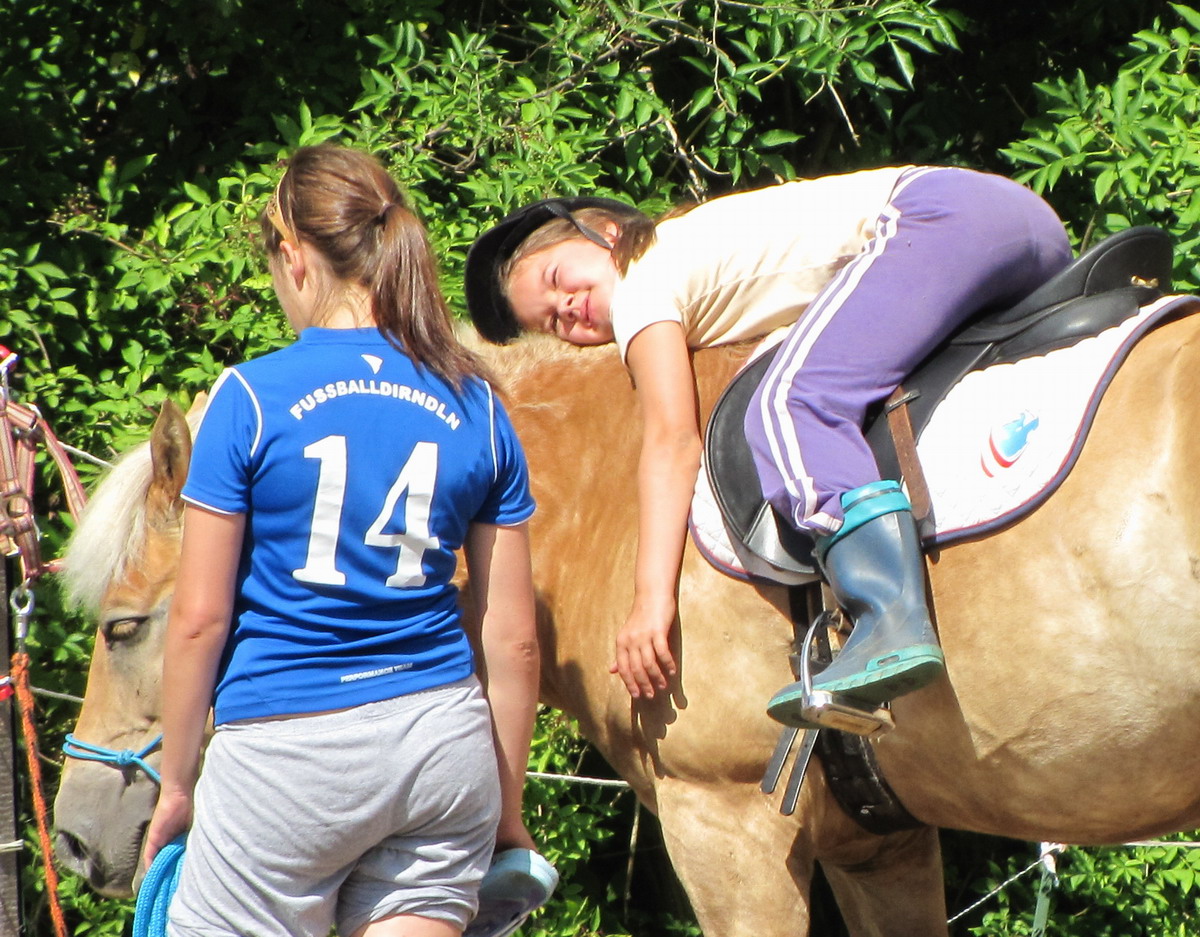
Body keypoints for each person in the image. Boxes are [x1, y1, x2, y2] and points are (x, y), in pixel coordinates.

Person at [463, 166, 1071, 728]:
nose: (568, 308)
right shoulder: (692, 250)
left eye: (556, 280)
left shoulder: (643, 286)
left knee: (790, 402)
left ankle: (888, 616)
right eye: (552, 322)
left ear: (606, 231)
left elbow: (672, 441)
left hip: (935, 217)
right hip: (1021, 223)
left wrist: (650, 603)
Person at [142, 143, 544, 937]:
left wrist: (178, 782)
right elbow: (513, 638)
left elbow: (197, 621)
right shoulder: (479, 404)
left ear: (294, 256)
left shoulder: (249, 397)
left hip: (285, 761)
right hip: (440, 749)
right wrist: (506, 805)